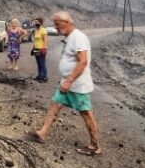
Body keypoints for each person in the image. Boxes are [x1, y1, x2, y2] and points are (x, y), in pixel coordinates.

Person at [28, 11, 102, 156]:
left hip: (77, 84)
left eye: (57, 24)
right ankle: (42, 133)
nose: (56, 28)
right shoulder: (70, 37)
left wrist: (69, 81)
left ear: (67, 22)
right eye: (55, 24)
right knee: (55, 104)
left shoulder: (78, 37)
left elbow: (83, 62)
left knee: (86, 112)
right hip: (67, 83)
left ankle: (95, 145)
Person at [32, 17, 48, 82]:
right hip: (36, 48)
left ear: (41, 23)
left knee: (42, 63)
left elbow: (45, 40)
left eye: (37, 22)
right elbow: (35, 41)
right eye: (35, 23)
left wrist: (44, 48)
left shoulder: (43, 30)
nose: (36, 24)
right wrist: (33, 48)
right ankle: (39, 76)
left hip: (41, 49)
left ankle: (45, 77)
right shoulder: (36, 30)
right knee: (38, 63)